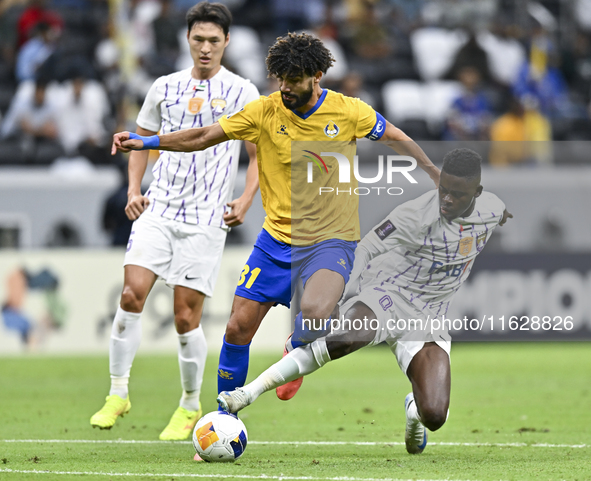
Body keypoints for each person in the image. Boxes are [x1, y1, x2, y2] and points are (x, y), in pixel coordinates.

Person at [111, 32, 440, 407]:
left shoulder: (349, 111)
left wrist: (433, 172)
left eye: (294, 79)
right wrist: (147, 142)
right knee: (236, 328)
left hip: (331, 240)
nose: (285, 87)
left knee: (316, 316)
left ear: (317, 76)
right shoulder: (264, 111)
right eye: (280, 78)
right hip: (275, 241)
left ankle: (295, 348)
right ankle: (224, 415)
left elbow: (395, 137)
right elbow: (204, 135)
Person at [216, 148, 513, 456]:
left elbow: (499, 212)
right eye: (443, 190)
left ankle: (414, 410)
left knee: (435, 416)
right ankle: (247, 393)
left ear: (477, 192)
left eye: (458, 195)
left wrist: (504, 216)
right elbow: (366, 248)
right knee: (344, 339)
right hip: (389, 295)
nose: (447, 200)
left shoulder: (492, 209)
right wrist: (339, 291)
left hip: (429, 319)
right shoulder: (413, 215)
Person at [90, 2, 260, 443]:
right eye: (198, 39)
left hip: (206, 218)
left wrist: (245, 198)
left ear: (227, 42)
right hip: (159, 209)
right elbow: (140, 142)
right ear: (187, 40)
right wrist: (133, 189)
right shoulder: (164, 87)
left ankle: (188, 405)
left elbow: (258, 155)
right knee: (131, 294)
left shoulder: (243, 92)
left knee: (186, 317)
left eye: (214, 40)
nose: (205, 48)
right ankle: (118, 393)